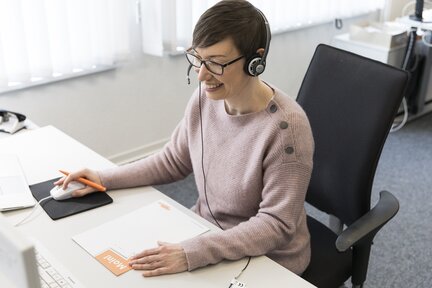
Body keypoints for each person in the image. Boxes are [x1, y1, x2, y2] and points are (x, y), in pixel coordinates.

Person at [58, 0, 314, 278]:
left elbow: (276, 224)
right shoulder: (206, 98)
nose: (202, 75)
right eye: (198, 59)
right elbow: (172, 161)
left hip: (269, 259)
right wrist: (103, 178)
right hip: (207, 232)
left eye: (216, 63)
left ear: (256, 61)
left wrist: (193, 252)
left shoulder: (287, 130)